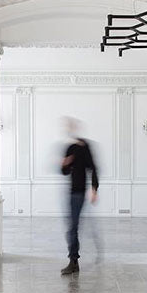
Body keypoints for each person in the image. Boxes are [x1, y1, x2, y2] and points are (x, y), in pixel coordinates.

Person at [60, 118, 99, 275]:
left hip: (80, 193)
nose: (69, 128)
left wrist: (94, 189)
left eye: (71, 126)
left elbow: (93, 168)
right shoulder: (69, 148)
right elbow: (64, 172)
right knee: (72, 227)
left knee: (72, 227)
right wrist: (64, 164)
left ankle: (73, 261)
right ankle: (74, 260)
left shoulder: (85, 147)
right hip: (71, 192)